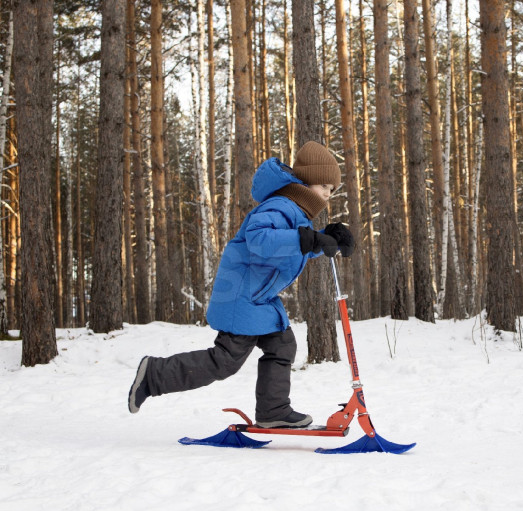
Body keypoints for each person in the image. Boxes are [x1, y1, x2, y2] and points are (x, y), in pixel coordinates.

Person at [128, 141, 355, 428]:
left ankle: (273, 411)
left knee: (282, 346)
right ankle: (154, 374)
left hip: (259, 299)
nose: (327, 194)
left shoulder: (294, 212)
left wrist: (325, 239)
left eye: (332, 190)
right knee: (224, 361)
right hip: (241, 297)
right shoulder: (280, 205)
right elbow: (260, 240)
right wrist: (306, 239)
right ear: (307, 181)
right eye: (324, 185)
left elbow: (287, 247)